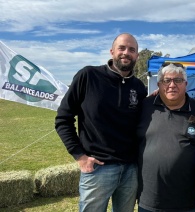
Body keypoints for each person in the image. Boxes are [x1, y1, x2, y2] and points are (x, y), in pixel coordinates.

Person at [55, 33, 147, 212]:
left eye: (132, 50)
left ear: (137, 55)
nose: (126, 53)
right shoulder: (88, 76)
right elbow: (63, 119)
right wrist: (80, 156)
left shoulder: (138, 87)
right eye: (121, 48)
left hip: (130, 169)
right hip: (97, 169)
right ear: (112, 51)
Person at [136, 63, 195, 212]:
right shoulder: (144, 106)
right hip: (149, 199)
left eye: (178, 80)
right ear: (159, 84)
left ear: (186, 84)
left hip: (186, 201)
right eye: (167, 80)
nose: (172, 85)